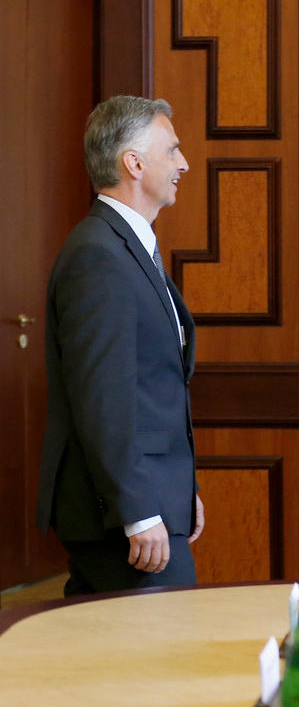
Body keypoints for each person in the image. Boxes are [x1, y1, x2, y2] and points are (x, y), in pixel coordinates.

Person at [36, 95, 204, 595]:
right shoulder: (98, 255)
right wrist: (138, 511)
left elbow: (153, 388)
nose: (184, 163)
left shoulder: (129, 247)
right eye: (172, 150)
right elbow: (103, 400)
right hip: (122, 519)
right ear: (133, 163)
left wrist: (178, 492)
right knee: (153, 664)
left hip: (150, 501)